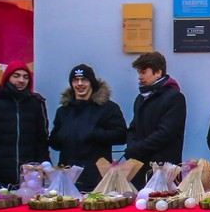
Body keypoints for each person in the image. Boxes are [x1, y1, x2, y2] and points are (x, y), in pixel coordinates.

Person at [48, 63, 127, 190]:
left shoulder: (108, 108)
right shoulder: (63, 111)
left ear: (92, 83)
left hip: (97, 178)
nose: (79, 84)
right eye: (75, 80)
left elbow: (121, 136)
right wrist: (64, 135)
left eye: (84, 80)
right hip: (68, 177)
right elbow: (54, 143)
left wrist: (94, 133)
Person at [124, 51, 187, 185]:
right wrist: (131, 146)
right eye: (139, 73)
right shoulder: (141, 98)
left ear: (158, 72)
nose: (140, 77)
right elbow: (133, 128)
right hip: (140, 165)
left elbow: (166, 133)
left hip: (164, 168)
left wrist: (137, 149)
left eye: (143, 72)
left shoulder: (174, 98)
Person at [0, 62, 49, 187]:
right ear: (7, 77)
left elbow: (42, 138)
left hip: (30, 175)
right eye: (16, 76)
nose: (21, 80)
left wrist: (44, 162)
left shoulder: (36, 102)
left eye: (25, 77)